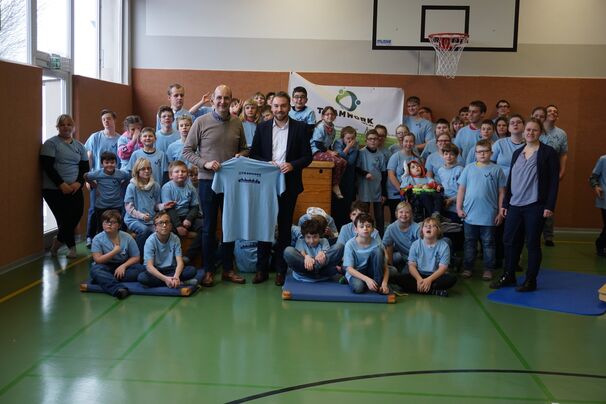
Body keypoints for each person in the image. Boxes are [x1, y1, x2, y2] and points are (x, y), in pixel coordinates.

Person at [182, 84, 248, 287]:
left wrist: (241, 155)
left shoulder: (238, 123)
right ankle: (208, 270)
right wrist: (205, 163)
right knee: (209, 228)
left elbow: (245, 149)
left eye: (226, 98)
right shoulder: (200, 122)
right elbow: (187, 151)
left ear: (231, 100)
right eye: (219, 98)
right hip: (207, 182)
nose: (222, 102)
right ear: (212, 100)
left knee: (229, 227)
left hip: (231, 184)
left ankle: (228, 269)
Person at [250, 90, 313, 286]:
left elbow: (308, 156)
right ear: (271, 107)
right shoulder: (262, 127)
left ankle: (280, 269)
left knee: (284, 228)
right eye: (276, 106)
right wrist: (267, 163)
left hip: (289, 183)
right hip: (266, 185)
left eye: (283, 106)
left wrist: (293, 164)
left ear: (289, 106)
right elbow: (253, 155)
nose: (279, 109)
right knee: (264, 227)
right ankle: (261, 269)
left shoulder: (300, 128)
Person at [491, 118, 560, 292]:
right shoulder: (517, 153)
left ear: (540, 133)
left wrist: (549, 205)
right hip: (515, 205)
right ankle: (509, 275)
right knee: (509, 241)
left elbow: (553, 182)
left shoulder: (548, 153)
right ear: (523, 132)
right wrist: (506, 202)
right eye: (528, 130)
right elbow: (511, 179)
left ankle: (530, 280)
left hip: (535, 206)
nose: (530, 133)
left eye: (534, 130)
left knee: (532, 243)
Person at [456, 139, 506, 280]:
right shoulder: (469, 168)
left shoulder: (497, 169)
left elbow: (502, 192)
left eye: (485, 151)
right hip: (470, 215)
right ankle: (468, 268)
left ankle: (488, 269)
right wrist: (459, 208)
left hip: (489, 215)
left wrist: (500, 212)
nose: (482, 154)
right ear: (475, 154)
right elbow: (461, 189)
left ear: (491, 153)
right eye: (479, 152)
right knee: (469, 243)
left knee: (488, 243)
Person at [41, 114, 88, 258]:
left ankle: (57, 242)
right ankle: (72, 248)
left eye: (69, 124)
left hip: (74, 188)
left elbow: (84, 168)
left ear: (73, 127)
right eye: (62, 125)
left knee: (76, 214)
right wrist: (61, 184)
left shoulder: (79, 146)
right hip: (53, 189)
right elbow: (47, 166)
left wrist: (78, 183)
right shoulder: (51, 144)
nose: (66, 127)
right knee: (64, 219)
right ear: (57, 127)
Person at [390, 217, 456, 296]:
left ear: (438, 230)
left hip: (435, 276)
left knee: (451, 279)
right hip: (419, 274)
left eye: (432, 226)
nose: (428, 227)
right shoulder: (415, 245)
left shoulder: (444, 246)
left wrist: (429, 280)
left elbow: (443, 268)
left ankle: (422, 289)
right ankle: (434, 291)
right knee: (399, 279)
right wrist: (419, 279)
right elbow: (411, 266)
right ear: (422, 230)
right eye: (426, 226)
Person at [89, 209, 145, 299]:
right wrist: (114, 251)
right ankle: (118, 289)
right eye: (106, 222)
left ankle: (105, 280)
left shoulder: (127, 237)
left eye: (112, 222)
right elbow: (98, 260)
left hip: (124, 266)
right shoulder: (97, 239)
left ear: (119, 225)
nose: (109, 224)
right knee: (95, 270)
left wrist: (123, 266)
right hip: (105, 266)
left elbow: (136, 257)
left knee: (141, 269)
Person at [84, 109, 120, 247]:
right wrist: (89, 178)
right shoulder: (95, 137)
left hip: (113, 181)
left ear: (114, 120)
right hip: (97, 181)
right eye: (104, 119)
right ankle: (90, 237)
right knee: (94, 209)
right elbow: (89, 156)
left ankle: (111, 236)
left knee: (113, 210)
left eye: (109, 118)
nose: (106, 121)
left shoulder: (120, 139)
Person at [138, 211, 198, 288]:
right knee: (142, 277)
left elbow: (180, 262)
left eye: (167, 222)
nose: (164, 225)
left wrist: (176, 276)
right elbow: (149, 266)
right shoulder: (150, 241)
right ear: (155, 227)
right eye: (160, 223)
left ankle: (173, 281)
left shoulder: (175, 238)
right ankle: (179, 282)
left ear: (170, 225)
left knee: (191, 270)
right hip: (157, 270)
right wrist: (165, 279)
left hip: (171, 269)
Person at [161, 160, 203, 263]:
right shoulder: (167, 187)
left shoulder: (190, 188)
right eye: (177, 171)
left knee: (206, 228)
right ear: (171, 175)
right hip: (172, 218)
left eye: (183, 171)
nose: (180, 173)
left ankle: (188, 257)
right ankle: (171, 261)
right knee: (167, 232)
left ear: (187, 174)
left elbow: (195, 206)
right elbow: (169, 208)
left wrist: (189, 219)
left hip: (188, 217)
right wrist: (178, 226)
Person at [124, 157, 166, 256]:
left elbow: (156, 205)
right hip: (133, 219)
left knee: (160, 233)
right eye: (143, 169)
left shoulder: (155, 186)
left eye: (148, 168)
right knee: (145, 231)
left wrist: (163, 206)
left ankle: (155, 259)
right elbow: (129, 208)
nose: (146, 171)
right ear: (137, 171)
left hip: (150, 220)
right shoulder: (132, 186)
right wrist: (142, 216)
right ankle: (137, 256)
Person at [540, 104, 569, 247]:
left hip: (552, 173)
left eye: (555, 111)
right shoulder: (537, 130)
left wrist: (562, 171)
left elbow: (563, 154)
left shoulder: (561, 134)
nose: (552, 113)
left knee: (549, 203)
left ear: (557, 116)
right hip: (535, 173)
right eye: (549, 111)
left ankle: (548, 236)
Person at [83, 151, 130, 234]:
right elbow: (85, 176)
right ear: (102, 164)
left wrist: (122, 185)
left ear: (116, 163)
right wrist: (94, 185)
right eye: (106, 162)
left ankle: (117, 245)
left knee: (116, 227)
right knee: (102, 228)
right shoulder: (98, 173)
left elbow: (128, 176)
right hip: (101, 206)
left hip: (116, 205)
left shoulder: (120, 173)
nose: (109, 165)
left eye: (112, 162)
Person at [343, 213, 390, 294]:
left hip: (371, 271)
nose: (365, 229)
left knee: (378, 251)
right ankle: (349, 280)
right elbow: (349, 268)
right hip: (356, 271)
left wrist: (384, 283)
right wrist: (367, 279)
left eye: (368, 226)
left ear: (372, 229)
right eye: (361, 226)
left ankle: (377, 283)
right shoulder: (350, 244)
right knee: (358, 288)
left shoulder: (377, 243)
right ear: (356, 229)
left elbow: (385, 267)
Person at [311, 106, 347, 198]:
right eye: (327, 114)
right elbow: (318, 144)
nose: (329, 116)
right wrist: (330, 152)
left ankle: (334, 182)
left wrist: (331, 151)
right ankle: (334, 185)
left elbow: (329, 144)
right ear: (323, 116)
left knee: (344, 162)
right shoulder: (320, 127)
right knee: (337, 161)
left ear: (335, 117)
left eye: (332, 114)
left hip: (324, 151)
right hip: (315, 152)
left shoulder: (333, 129)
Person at [356, 129, 387, 236]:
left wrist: (384, 193)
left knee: (379, 215)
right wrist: (365, 173)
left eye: (375, 139)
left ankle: (381, 237)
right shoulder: (361, 153)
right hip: (365, 187)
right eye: (370, 139)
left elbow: (384, 173)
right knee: (364, 214)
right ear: (366, 140)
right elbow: (356, 168)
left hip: (377, 188)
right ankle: (364, 235)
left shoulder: (381, 154)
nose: (373, 141)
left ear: (378, 140)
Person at [332, 126, 360, 228]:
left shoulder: (356, 146)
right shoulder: (337, 143)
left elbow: (350, 162)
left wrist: (346, 151)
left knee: (346, 205)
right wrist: (348, 148)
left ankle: (345, 228)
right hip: (337, 178)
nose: (350, 140)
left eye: (352, 138)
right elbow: (337, 158)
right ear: (343, 137)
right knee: (336, 205)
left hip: (349, 179)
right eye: (348, 138)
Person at [386, 131, 417, 220]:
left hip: (411, 194)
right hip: (396, 194)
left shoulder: (416, 158)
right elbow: (391, 175)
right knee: (396, 219)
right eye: (406, 141)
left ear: (414, 143)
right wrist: (401, 190)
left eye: (411, 141)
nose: (408, 144)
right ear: (402, 142)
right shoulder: (396, 156)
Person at [383, 201, 420, 273]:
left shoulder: (416, 228)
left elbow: (424, 247)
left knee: (404, 275)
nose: (404, 214)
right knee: (385, 255)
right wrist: (388, 262)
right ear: (396, 214)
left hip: (415, 259)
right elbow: (384, 245)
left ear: (411, 214)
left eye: (407, 212)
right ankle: (394, 266)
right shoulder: (391, 228)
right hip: (402, 255)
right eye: (401, 212)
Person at [434, 143, 464, 223]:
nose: (448, 156)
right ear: (443, 155)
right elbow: (441, 185)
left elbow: (464, 190)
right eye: (446, 154)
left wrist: (451, 200)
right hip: (444, 204)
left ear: (456, 156)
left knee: (455, 228)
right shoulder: (440, 170)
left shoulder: (460, 170)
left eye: (452, 154)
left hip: (456, 205)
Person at [492, 114, 525, 179]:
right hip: (501, 183)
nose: (515, 124)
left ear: (524, 127)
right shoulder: (499, 143)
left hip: (522, 182)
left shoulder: (529, 145)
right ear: (509, 128)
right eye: (512, 123)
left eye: (518, 122)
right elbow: (489, 164)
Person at [590, 154, 606, 257]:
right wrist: (596, 187)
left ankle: (601, 243)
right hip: (605, 199)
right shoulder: (603, 159)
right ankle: (600, 244)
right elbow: (592, 178)